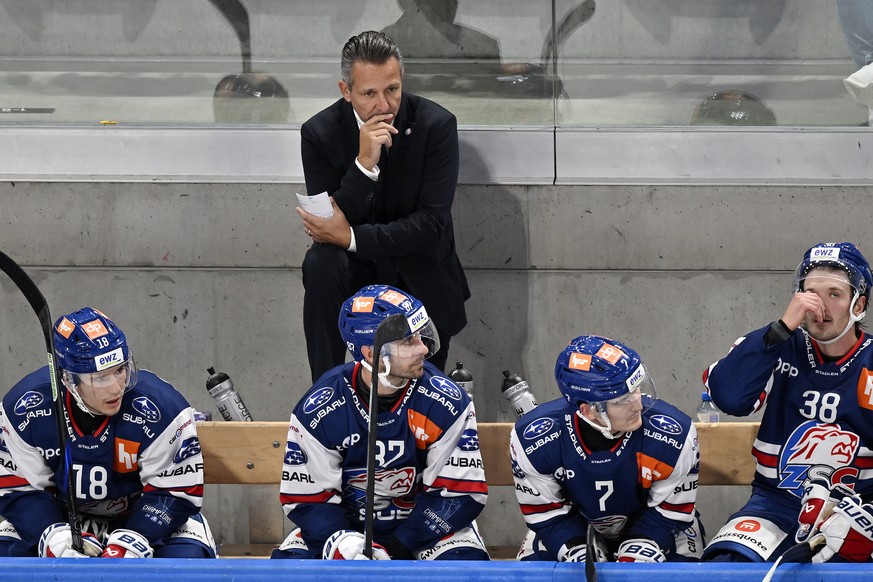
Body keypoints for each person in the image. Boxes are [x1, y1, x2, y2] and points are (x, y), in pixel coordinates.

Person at [297, 30, 470, 382]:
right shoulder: (319, 133)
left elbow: (429, 225)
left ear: (402, 78)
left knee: (416, 396)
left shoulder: (436, 125)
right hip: (354, 277)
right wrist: (364, 166)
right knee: (321, 262)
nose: (384, 105)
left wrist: (350, 238)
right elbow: (330, 224)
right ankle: (326, 390)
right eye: (369, 94)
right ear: (346, 91)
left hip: (420, 274)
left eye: (392, 89)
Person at [271, 284, 488, 560]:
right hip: (346, 530)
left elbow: (458, 493)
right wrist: (344, 542)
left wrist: (398, 547)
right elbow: (308, 498)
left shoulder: (445, 401)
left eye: (421, 336)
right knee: (287, 571)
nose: (423, 348)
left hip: (424, 532)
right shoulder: (320, 409)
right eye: (408, 341)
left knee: (465, 569)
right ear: (372, 354)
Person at [702, 242, 873, 563]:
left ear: (858, 304)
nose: (819, 306)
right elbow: (729, 398)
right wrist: (779, 330)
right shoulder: (777, 344)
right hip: (776, 504)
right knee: (725, 568)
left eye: (834, 294)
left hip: (857, 507)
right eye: (811, 293)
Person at [0, 307, 216, 558]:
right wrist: (51, 533)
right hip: (61, 517)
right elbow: (19, 488)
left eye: (120, 370)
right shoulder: (25, 408)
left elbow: (174, 492)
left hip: (142, 517)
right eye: (101, 378)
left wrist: (136, 536)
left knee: (187, 562)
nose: (116, 388)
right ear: (68, 379)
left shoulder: (161, 407)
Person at [510, 335, 704, 563]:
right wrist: (575, 546)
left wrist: (641, 546)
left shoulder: (674, 434)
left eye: (636, 389)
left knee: (676, 576)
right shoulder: (534, 440)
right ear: (589, 410)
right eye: (622, 400)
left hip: (656, 524)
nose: (638, 404)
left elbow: (671, 511)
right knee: (535, 575)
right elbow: (547, 514)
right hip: (574, 524)